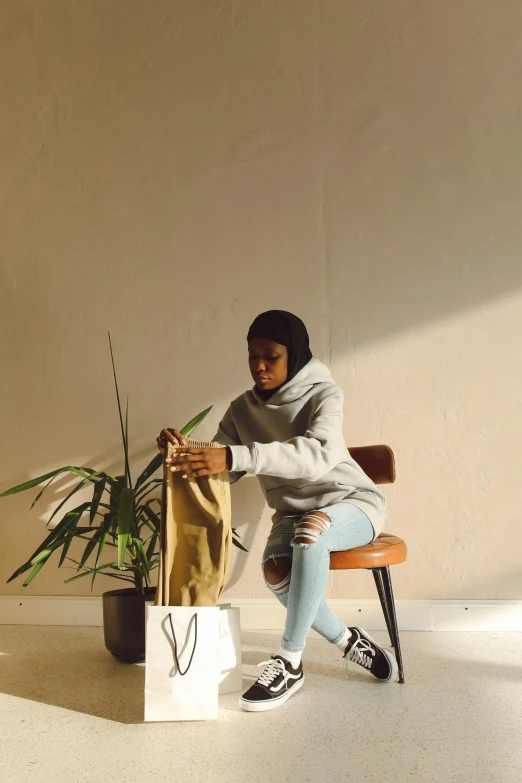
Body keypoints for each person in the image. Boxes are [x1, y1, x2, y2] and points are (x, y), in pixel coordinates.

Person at [157, 309, 397, 712]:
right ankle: (347, 641)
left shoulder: (325, 394)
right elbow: (223, 471)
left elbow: (316, 455)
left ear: (295, 355)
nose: (260, 366)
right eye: (252, 356)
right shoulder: (241, 410)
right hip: (291, 513)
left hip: (351, 503)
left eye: (271, 355)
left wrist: (233, 456)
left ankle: (289, 661)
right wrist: (187, 453)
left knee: (312, 534)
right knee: (275, 571)